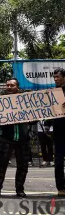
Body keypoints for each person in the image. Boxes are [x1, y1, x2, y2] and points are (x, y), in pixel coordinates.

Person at [0, 78, 32, 198]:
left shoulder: (25, 101)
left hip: (23, 138)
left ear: (17, 87)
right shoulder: (0, 101)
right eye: (7, 85)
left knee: (23, 165)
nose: (9, 87)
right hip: (6, 137)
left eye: (12, 85)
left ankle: (20, 189)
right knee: (1, 165)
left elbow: (33, 121)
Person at [51, 68, 65, 196]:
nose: (55, 79)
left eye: (58, 77)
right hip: (59, 131)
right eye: (54, 77)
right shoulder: (53, 92)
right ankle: (61, 187)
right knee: (59, 161)